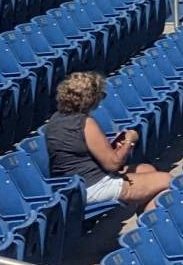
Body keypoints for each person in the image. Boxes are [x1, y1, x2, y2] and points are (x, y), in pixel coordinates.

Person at [45, 72, 173, 212]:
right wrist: (129, 140)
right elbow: (113, 164)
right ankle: (151, 225)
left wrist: (116, 147)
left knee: (147, 169)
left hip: (73, 185)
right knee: (167, 180)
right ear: (91, 99)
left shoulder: (54, 121)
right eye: (101, 95)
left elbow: (81, 153)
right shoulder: (85, 123)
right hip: (93, 186)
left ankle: (147, 221)